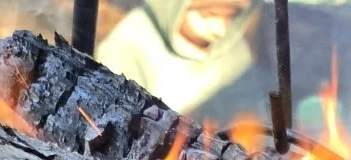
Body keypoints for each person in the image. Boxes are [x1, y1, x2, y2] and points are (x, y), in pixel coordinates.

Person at [96, 0, 272, 123]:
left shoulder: (236, 49)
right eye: (209, 14)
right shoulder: (125, 48)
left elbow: (255, 120)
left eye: (232, 15)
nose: (222, 29)